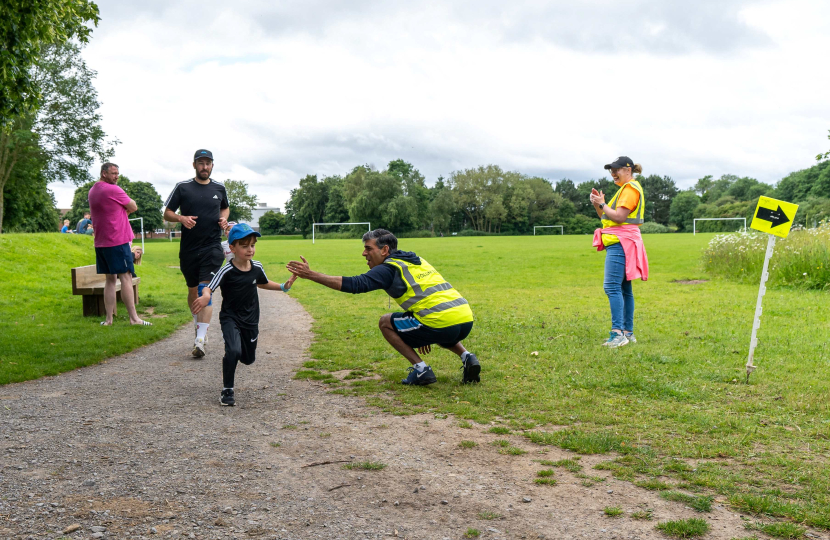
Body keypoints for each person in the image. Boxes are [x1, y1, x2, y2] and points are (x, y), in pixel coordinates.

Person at [286, 229, 480, 386]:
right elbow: (423, 295)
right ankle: (467, 356)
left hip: (439, 322)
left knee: (385, 322)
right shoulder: (414, 259)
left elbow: (355, 284)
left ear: (385, 250)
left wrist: (310, 274)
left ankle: (421, 370)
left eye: (368, 249)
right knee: (436, 324)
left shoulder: (388, 269)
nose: (364, 253)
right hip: (464, 319)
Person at [192, 223, 297, 406]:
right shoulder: (226, 270)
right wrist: (205, 297)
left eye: (253, 245)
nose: (250, 249)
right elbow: (210, 286)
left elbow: (262, 283)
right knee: (233, 350)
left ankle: (237, 353)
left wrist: (282, 287)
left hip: (250, 320)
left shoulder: (256, 267)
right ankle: (227, 390)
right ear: (232, 248)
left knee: (248, 359)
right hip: (230, 318)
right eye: (245, 245)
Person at [163, 149, 229, 358]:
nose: (205, 167)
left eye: (208, 163)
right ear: (194, 165)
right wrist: (181, 219)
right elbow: (167, 213)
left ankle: (200, 339)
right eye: (201, 163)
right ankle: (198, 325)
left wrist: (223, 219)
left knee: (204, 290)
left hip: (212, 248)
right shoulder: (183, 187)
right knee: (193, 290)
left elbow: (225, 208)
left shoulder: (219, 188)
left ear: (212, 165)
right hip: (189, 249)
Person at [589, 156, 649, 348]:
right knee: (624, 289)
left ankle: (618, 334)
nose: (613, 173)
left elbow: (620, 217)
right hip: (624, 241)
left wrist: (602, 204)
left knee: (612, 287)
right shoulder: (624, 190)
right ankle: (627, 332)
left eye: (617, 169)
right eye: (611, 170)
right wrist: (598, 204)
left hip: (620, 243)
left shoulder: (630, 189)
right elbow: (607, 217)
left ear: (628, 170)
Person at [88, 162, 152, 327]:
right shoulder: (113, 189)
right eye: (113, 173)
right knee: (126, 277)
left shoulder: (93, 190)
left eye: (118, 173)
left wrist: (121, 210)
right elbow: (133, 206)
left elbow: (110, 209)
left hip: (101, 242)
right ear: (104, 173)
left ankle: (109, 320)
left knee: (110, 279)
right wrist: (125, 208)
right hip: (117, 240)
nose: (117, 176)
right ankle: (134, 319)